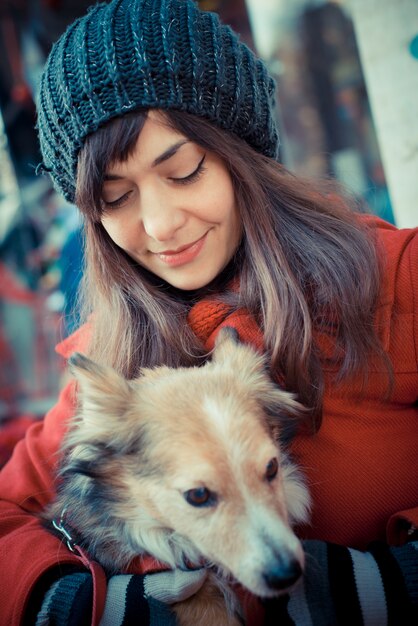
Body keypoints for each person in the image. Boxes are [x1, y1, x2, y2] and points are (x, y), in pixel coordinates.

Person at [0, 0, 416, 624]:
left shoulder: (398, 276)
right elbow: (8, 515)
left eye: (185, 171)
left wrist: (388, 582)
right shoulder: (108, 363)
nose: (161, 225)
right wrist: (76, 600)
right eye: (116, 197)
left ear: (239, 153)